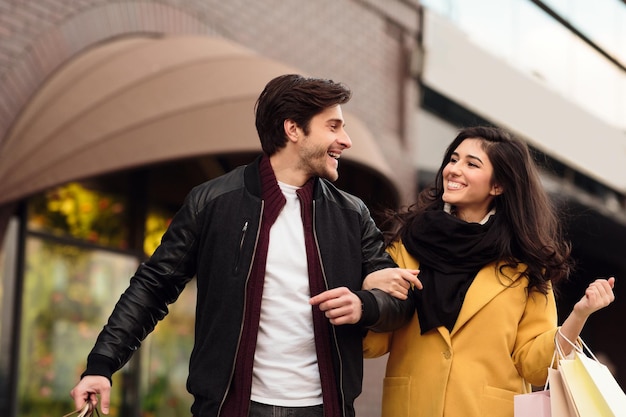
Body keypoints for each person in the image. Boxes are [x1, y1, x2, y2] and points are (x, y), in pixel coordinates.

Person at [69, 74, 420, 417]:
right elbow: (153, 286)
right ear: (293, 129)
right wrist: (101, 364)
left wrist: (365, 305)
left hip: (322, 406)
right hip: (230, 407)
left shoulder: (351, 213)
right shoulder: (213, 202)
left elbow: (397, 298)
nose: (346, 140)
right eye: (333, 126)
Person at [362, 126, 616, 417]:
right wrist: (368, 295)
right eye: (453, 159)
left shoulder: (525, 267)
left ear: (498, 186)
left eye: (471, 164)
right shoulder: (406, 247)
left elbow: (535, 365)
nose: (454, 170)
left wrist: (579, 314)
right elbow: (375, 342)